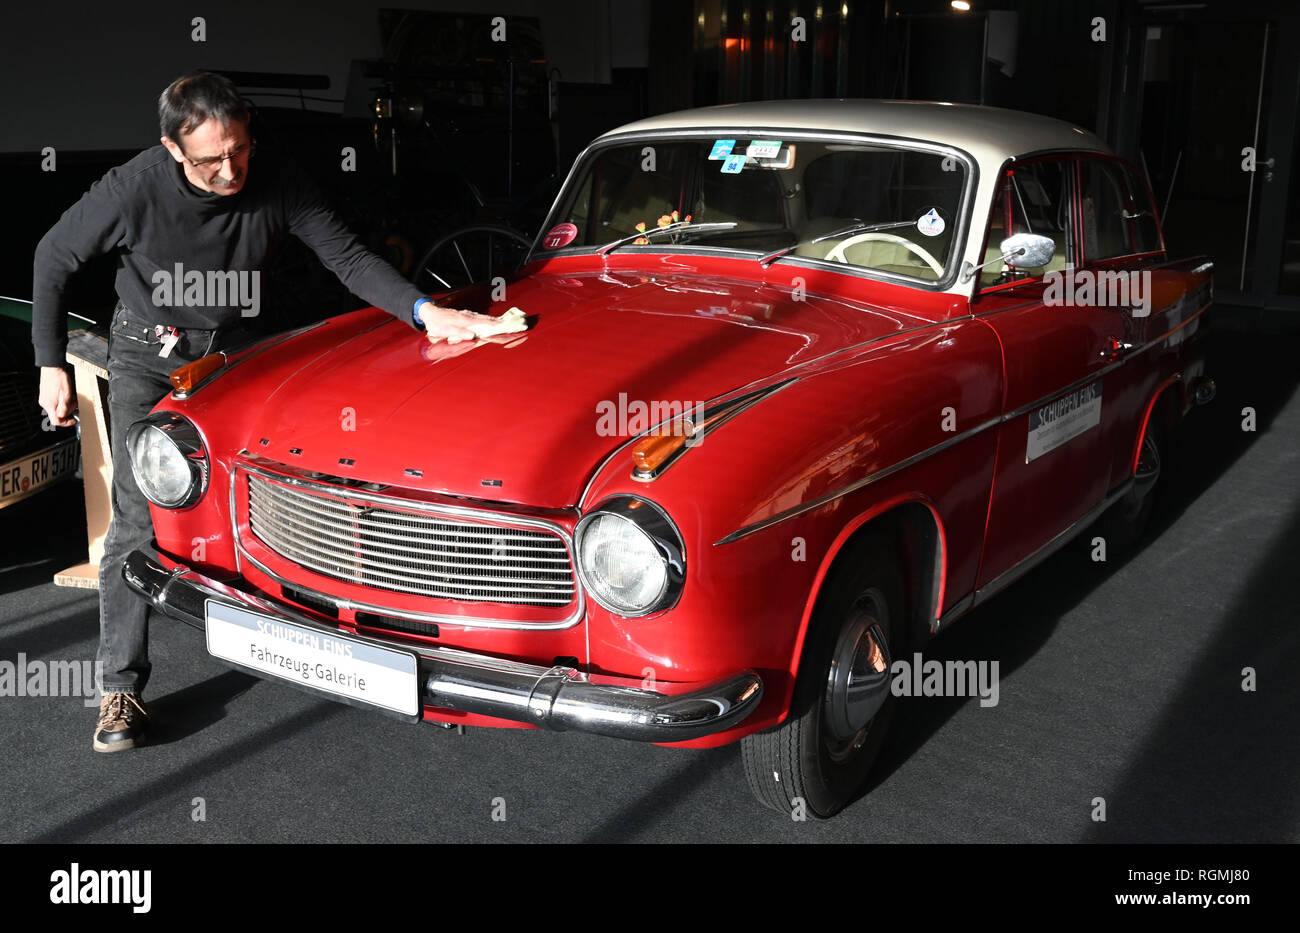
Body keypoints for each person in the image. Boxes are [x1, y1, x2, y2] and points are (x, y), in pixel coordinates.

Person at [33, 72, 495, 752]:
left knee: (261, 485)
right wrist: (49, 362)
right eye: (210, 159)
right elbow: (52, 255)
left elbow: (346, 256)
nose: (230, 170)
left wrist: (428, 313)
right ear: (171, 148)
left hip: (232, 349)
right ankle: (119, 688)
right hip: (147, 351)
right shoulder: (131, 188)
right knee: (135, 518)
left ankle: (289, 637)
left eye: (239, 150)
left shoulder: (276, 176)